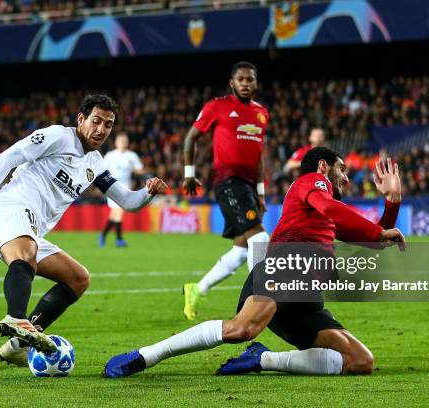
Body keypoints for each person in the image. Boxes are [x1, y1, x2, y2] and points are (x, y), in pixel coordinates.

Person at [104, 147, 404, 378]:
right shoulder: (312, 181)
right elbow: (334, 209)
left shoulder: (323, 216)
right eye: (342, 170)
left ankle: (262, 359)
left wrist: (392, 201)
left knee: (360, 362)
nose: (347, 178)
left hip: (306, 294)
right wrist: (378, 229)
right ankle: (146, 356)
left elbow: (374, 241)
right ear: (324, 167)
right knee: (240, 329)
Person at [0, 94, 167, 366]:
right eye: (96, 121)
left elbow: (126, 200)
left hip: (30, 229)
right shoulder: (58, 136)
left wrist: (148, 193)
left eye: (108, 124)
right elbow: (3, 159)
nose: (101, 129)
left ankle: (17, 344)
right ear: (81, 119)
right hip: (8, 209)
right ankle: (16, 318)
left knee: (78, 278)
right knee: (26, 253)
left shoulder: (95, 164)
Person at [181, 61, 271, 320]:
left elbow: (259, 156)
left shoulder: (262, 113)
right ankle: (259, 300)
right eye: (240, 79)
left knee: (242, 249)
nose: (245, 83)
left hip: (249, 186)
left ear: (255, 83)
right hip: (228, 182)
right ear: (232, 83)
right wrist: (189, 174)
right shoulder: (217, 107)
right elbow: (191, 138)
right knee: (260, 239)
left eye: (249, 79)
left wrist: (261, 193)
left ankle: (197, 289)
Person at [100, 132, 145, 247]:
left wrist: (133, 167)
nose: (123, 143)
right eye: (121, 141)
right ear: (116, 143)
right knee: (118, 211)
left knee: (115, 213)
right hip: (111, 187)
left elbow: (140, 170)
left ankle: (103, 235)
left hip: (126, 187)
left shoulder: (132, 156)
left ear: (127, 143)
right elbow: (101, 169)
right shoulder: (110, 155)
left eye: (125, 141)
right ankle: (119, 239)